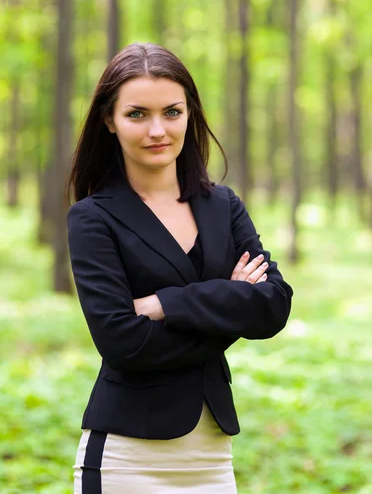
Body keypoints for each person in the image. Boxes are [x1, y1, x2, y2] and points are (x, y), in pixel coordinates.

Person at [66, 42, 293, 494]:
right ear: (109, 121)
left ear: (190, 115)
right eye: (137, 114)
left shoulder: (222, 205)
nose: (157, 130)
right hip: (126, 458)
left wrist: (165, 303)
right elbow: (122, 343)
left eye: (172, 112)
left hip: (212, 457)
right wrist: (228, 302)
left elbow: (272, 307)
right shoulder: (93, 217)